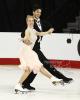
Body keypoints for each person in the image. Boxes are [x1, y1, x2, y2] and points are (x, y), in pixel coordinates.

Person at [21, 5, 73, 90]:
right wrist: (25, 41)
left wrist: (51, 30)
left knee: (36, 67)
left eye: (40, 12)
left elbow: (50, 27)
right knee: (47, 64)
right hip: (32, 49)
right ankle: (63, 78)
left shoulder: (41, 22)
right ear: (33, 12)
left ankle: (25, 84)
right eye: (37, 12)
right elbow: (24, 33)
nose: (39, 13)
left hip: (37, 48)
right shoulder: (30, 21)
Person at [15, 15, 62, 93]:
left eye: (32, 21)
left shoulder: (33, 30)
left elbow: (40, 33)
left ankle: (53, 78)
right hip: (26, 50)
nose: (31, 22)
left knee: (39, 66)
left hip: (30, 51)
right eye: (29, 21)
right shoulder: (27, 30)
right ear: (27, 22)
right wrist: (24, 39)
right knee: (29, 69)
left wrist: (47, 32)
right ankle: (18, 85)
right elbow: (26, 37)